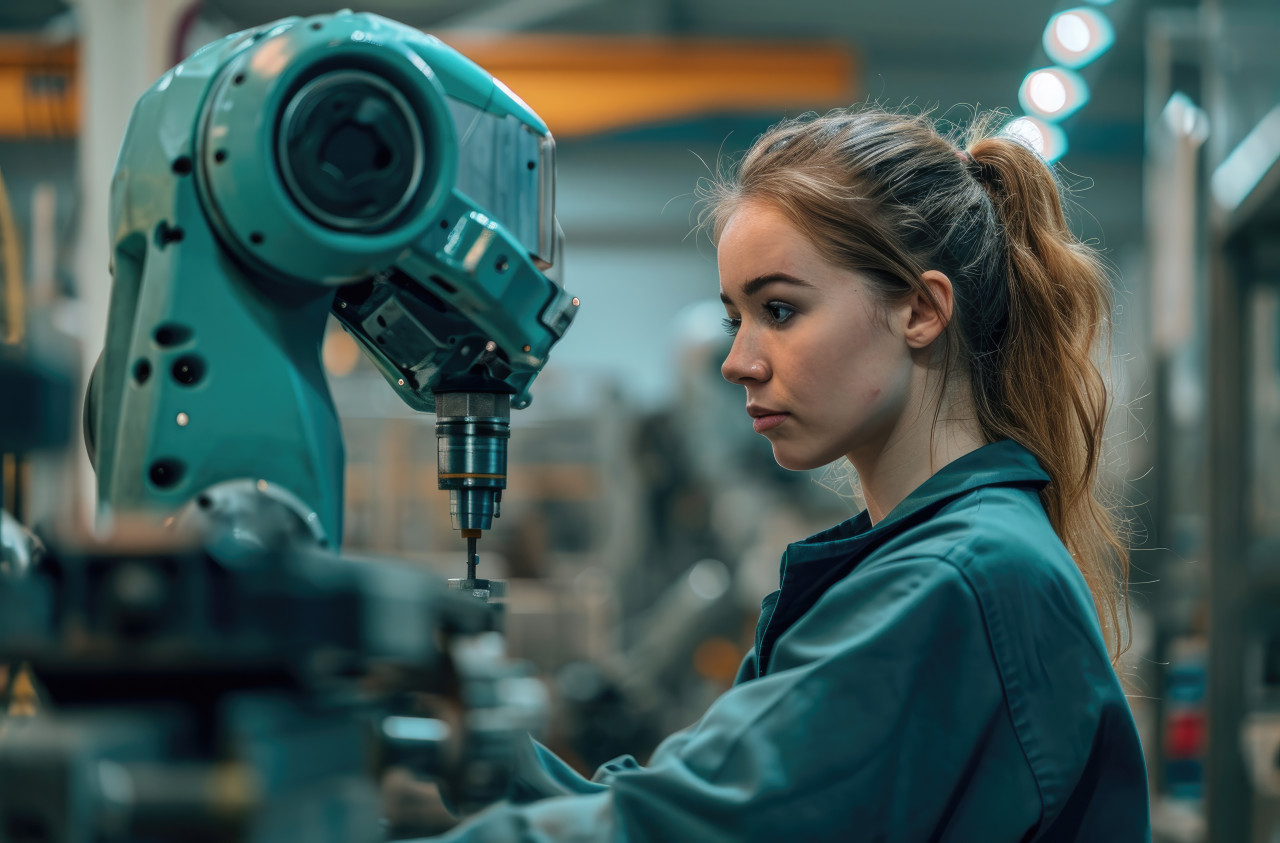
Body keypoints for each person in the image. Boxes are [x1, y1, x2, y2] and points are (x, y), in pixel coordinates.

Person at [422, 106, 1151, 842]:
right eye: (735, 317)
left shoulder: (954, 580)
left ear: (922, 311)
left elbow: (683, 832)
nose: (739, 361)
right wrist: (478, 753)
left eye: (779, 309)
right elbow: (687, 799)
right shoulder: (919, 564)